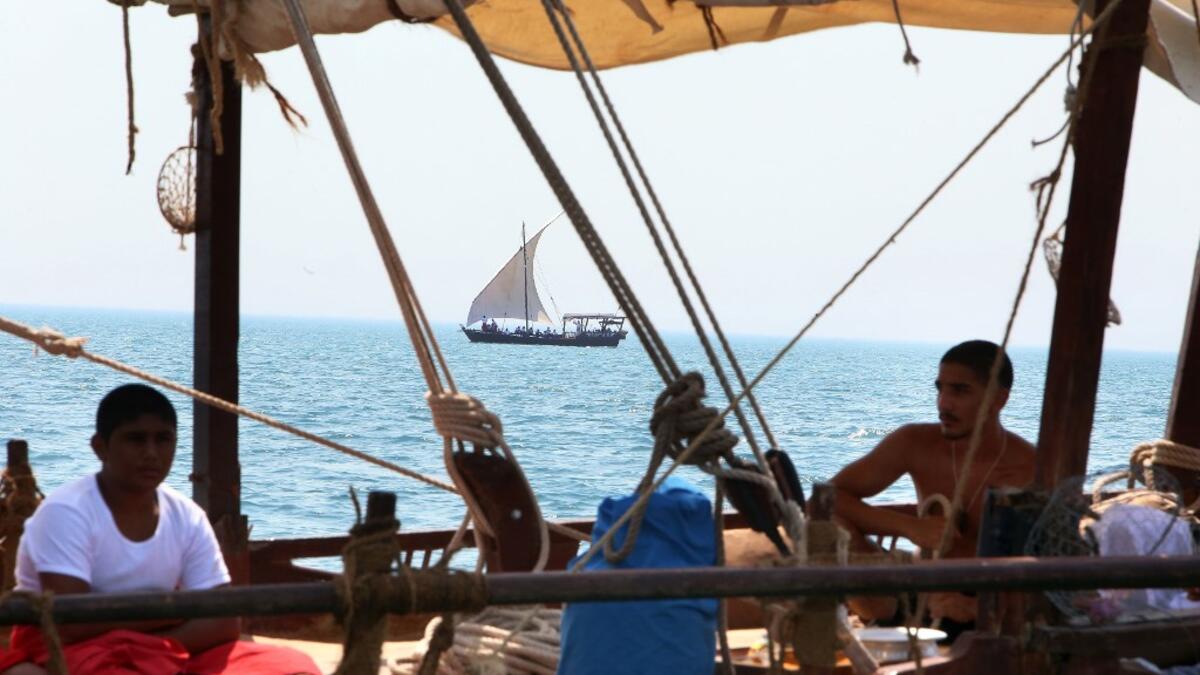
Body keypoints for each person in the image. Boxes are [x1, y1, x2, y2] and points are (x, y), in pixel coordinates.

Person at [0, 384, 319, 675]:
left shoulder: (187, 515)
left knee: (293, 667)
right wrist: (174, 612)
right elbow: (69, 624)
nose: (151, 453)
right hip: (69, 651)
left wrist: (156, 645)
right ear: (100, 447)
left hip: (167, 647)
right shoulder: (64, 512)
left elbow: (224, 619)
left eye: (163, 439)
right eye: (135, 439)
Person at [830, 340, 1036, 629]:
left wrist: (975, 607)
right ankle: (879, 618)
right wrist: (910, 527)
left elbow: (1054, 572)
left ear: (998, 400)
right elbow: (825, 499)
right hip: (919, 593)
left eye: (960, 391)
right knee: (833, 523)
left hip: (990, 613)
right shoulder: (913, 442)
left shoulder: (1030, 469)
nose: (944, 404)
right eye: (940, 389)